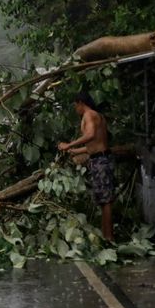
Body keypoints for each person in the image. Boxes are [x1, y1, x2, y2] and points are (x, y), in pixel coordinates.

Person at [58, 92, 114, 242]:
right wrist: (74, 151)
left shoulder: (89, 115)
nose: (75, 109)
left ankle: (109, 237)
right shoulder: (97, 115)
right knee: (103, 200)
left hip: (100, 161)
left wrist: (69, 144)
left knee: (106, 201)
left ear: (80, 103)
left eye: (75, 106)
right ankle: (106, 236)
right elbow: (94, 144)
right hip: (100, 158)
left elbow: (89, 135)